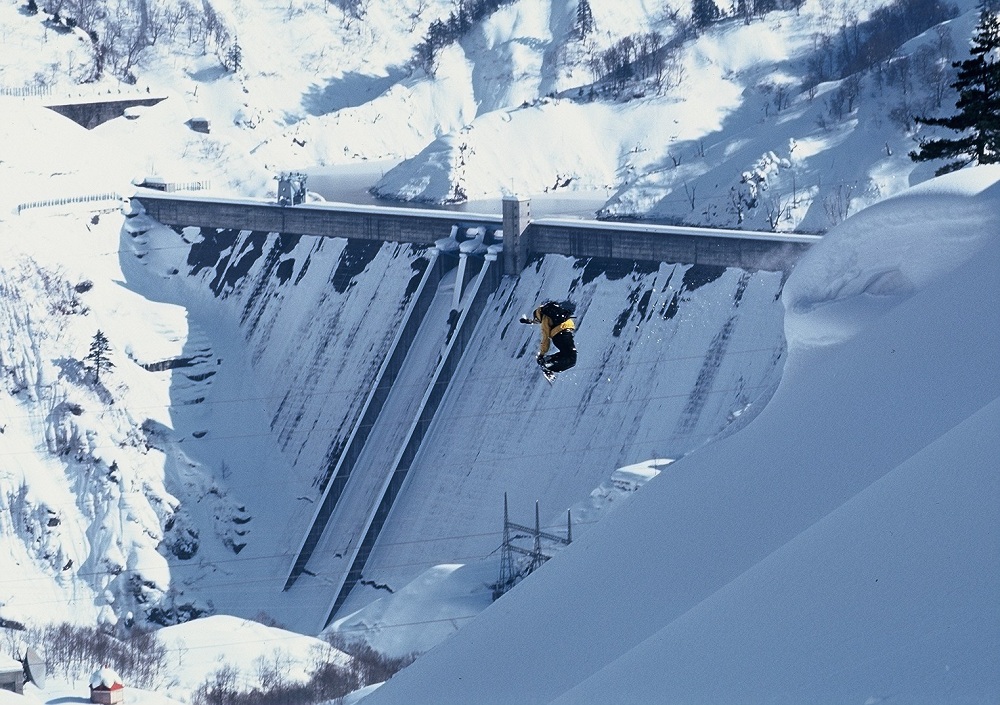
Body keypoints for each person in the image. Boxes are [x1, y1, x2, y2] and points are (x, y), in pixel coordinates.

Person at [519, 301, 577, 374]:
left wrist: (542, 354)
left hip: (559, 335)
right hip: (565, 332)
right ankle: (548, 363)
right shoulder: (552, 310)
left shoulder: (545, 318)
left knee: (570, 358)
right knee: (569, 357)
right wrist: (529, 321)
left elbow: (545, 338)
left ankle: (547, 364)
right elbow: (539, 321)